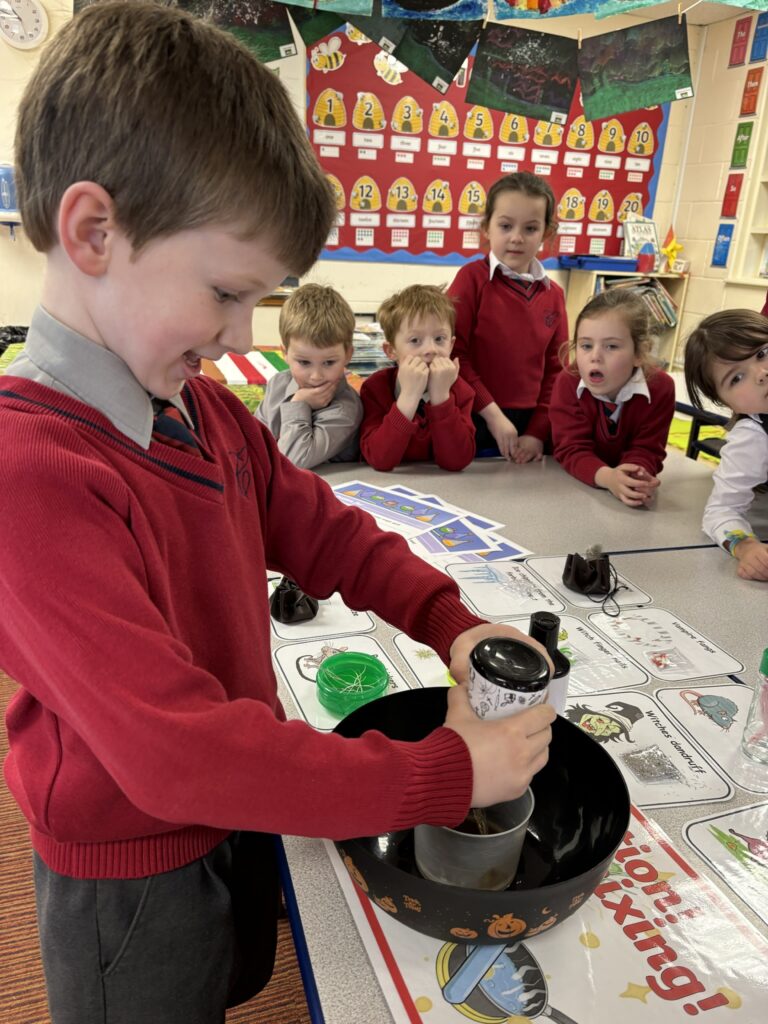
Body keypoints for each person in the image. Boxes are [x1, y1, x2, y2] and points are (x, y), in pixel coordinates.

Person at [0, 7, 555, 1023]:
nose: (241, 334)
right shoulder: (26, 474)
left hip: (236, 801)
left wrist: (451, 620)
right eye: (225, 291)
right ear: (92, 232)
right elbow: (174, 752)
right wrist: (447, 772)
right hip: (130, 872)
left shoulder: (203, 406)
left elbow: (324, 528)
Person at [447, 171, 568, 463]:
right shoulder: (471, 280)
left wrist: (538, 431)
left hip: (530, 428)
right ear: (487, 227)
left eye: (530, 228)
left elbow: (558, 369)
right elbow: (454, 355)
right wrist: (491, 413)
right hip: (474, 414)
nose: (516, 237)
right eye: (505, 225)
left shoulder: (554, 295)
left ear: (546, 234)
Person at [549, 289, 676, 507]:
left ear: (639, 353)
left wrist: (634, 477)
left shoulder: (660, 388)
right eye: (586, 345)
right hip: (569, 490)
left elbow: (647, 449)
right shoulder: (568, 381)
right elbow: (572, 448)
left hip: (618, 499)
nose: (595, 357)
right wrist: (609, 478)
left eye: (611, 346)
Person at [684, 309, 768, 581]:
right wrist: (745, 547)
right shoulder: (753, 438)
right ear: (728, 404)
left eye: (762, 353)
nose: (761, 373)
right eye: (736, 378)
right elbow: (721, 511)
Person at [360, 283, 475, 471]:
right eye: (415, 341)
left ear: (451, 345)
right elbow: (380, 460)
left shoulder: (461, 390)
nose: (430, 350)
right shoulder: (375, 388)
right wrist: (409, 395)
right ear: (391, 351)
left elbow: (456, 462)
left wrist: (441, 397)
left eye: (439, 339)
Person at [255, 282, 362, 469]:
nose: (316, 376)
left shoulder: (346, 409)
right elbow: (252, 442)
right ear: (285, 353)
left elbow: (291, 462)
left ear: (348, 355)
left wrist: (298, 404)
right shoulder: (278, 384)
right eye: (304, 362)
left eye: (329, 362)